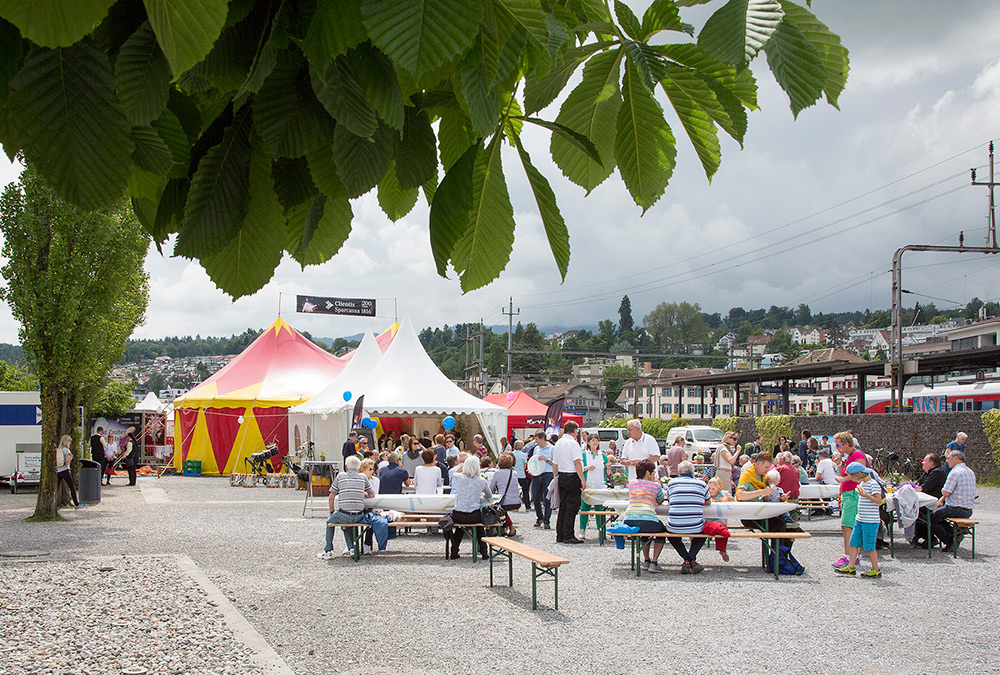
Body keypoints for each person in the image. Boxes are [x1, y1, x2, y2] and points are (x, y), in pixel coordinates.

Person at [317, 456, 375, 559]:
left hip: (344, 514)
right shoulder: (363, 477)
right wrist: (361, 492)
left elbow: (331, 496)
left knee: (330, 522)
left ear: (346, 467)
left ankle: (328, 550)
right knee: (347, 524)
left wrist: (331, 511)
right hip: (358, 515)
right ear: (358, 467)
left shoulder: (340, 476)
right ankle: (351, 547)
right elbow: (372, 495)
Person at [736, 453, 794, 552]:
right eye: (766, 467)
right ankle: (778, 558)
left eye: (769, 467)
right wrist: (762, 492)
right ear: (757, 464)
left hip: (762, 512)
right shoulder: (748, 475)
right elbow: (740, 495)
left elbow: (765, 498)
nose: (768, 470)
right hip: (749, 515)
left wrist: (779, 497)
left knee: (788, 528)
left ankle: (780, 557)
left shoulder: (763, 477)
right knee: (780, 525)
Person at [834, 462, 884, 578]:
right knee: (854, 542)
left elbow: (878, 500)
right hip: (860, 519)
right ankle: (851, 567)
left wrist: (866, 495)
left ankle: (875, 569)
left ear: (858, 475)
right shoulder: (862, 483)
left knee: (870, 546)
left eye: (852, 477)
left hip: (870, 520)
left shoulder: (873, 484)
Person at [665, 460, 712, 574]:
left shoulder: (672, 483)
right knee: (703, 532)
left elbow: (670, 500)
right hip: (695, 525)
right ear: (693, 472)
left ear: (680, 471)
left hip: (675, 525)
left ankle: (687, 559)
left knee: (671, 533)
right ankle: (690, 559)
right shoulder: (702, 484)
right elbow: (708, 502)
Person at [621, 459, 668, 572]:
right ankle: (654, 562)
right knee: (661, 532)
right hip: (648, 520)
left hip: (629, 520)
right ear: (648, 473)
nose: (654, 475)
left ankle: (646, 560)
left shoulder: (632, 483)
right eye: (653, 473)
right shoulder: (655, 486)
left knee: (643, 533)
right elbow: (660, 499)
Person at [930, 450, 976, 552]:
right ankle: (953, 534)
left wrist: (942, 493)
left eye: (948, 458)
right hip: (968, 509)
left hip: (955, 508)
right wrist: (943, 499)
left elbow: (946, 492)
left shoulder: (955, 472)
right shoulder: (970, 472)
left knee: (931, 518)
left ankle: (950, 538)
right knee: (938, 515)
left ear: (956, 458)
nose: (946, 461)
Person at [449, 456, 494, 560]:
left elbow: (455, 472)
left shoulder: (460, 478)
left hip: (458, 514)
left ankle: (454, 551)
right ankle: (484, 552)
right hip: (473, 514)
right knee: (479, 528)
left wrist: (464, 465)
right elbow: (489, 496)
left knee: (460, 528)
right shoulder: (481, 480)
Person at [834, 431, 868, 567]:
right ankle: (851, 555)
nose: (837, 448)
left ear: (847, 444)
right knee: (848, 525)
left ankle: (850, 557)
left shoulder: (857, 455)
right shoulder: (850, 455)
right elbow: (848, 472)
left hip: (853, 493)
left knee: (848, 525)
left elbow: (861, 472)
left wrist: (843, 479)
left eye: (838, 445)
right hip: (848, 492)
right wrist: (839, 465)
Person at [553, 421, 585, 544]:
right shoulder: (573, 443)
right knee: (572, 507)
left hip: (561, 475)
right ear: (573, 431)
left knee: (563, 507)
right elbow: (577, 462)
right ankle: (568, 534)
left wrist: (555, 477)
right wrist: (582, 479)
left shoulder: (559, 443)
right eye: (577, 431)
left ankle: (560, 534)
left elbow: (555, 464)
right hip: (572, 476)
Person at [909, 453, 947, 546]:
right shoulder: (927, 473)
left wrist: (916, 487)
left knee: (916, 511)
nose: (922, 463)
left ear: (932, 463)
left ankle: (929, 538)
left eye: (925, 461)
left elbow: (923, 488)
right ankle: (923, 536)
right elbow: (917, 485)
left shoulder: (937, 472)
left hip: (934, 503)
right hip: (925, 501)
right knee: (913, 509)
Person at [579, 433, 608, 533]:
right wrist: (587, 468)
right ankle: (582, 528)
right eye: (593, 440)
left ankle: (601, 529)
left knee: (599, 508)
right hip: (588, 484)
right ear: (588, 442)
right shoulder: (584, 454)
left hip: (600, 484)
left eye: (596, 440)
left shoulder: (602, 455)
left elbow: (607, 470)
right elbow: (579, 469)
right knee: (585, 507)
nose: (595, 442)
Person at [489, 453, 521, 536]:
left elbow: (491, 489)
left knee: (493, 508)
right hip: (516, 501)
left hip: (504, 501)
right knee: (502, 510)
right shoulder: (514, 473)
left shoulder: (497, 473)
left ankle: (495, 529)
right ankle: (507, 528)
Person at [530, 431, 554, 529]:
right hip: (537, 474)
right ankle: (539, 516)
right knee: (535, 497)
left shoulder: (552, 449)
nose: (535, 441)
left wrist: (546, 459)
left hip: (548, 473)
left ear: (542, 439)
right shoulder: (536, 449)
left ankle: (546, 520)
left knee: (547, 497)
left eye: (537, 439)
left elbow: (555, 463)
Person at [705, 477, 733, 561]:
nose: (710, 490)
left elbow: (729, 498)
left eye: (713, 489)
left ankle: (722, 549)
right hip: (706, 518)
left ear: (718, 489)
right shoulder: (706, 494)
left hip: (717, 519)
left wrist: (724, 499)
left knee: (723, 530)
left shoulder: (721, 495)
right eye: (709, 488)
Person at [55, 434, 85, 509]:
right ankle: (76, 504)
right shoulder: (66, 450)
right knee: (71, 486)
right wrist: (70, 458)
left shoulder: (59, 449)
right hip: (65, 470)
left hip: (58, 470)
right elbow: (66, 462)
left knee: (56, 487)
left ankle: (54, 504)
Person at [511, 440, 530, 510]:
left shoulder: (512, 454)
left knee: (514, 490)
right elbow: (525, 466)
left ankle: (514, 504)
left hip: (513, 474)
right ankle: (527, 505)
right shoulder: (523, 455)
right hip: (521, 474)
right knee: (525, 490)